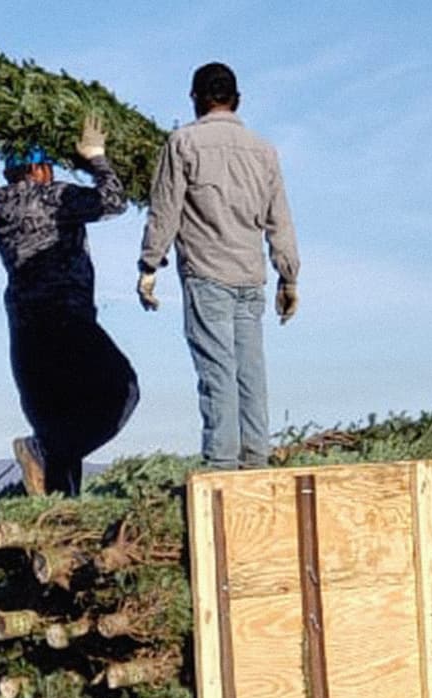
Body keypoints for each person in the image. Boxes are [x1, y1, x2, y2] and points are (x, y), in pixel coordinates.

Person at [136, 62, 300, 470]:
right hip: (250, 278)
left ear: (196, 99)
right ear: (236, 99)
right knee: (251, 374)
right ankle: (257, 462)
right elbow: (280, 217)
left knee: (217, 372)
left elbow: (166, 208)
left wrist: (149, 264)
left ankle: (223, 468)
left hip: (207, 275)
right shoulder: (263, 150)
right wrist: (288, 276)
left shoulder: (182, 143)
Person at [0, 115, 139, 496]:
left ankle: (57, 515)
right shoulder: (53, 198)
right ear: (38, 169)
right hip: (67, 320)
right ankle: (44, 450)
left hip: (24, 329)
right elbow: (113, 201)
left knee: (55, 421)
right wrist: (96, 160)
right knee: (121, 391)